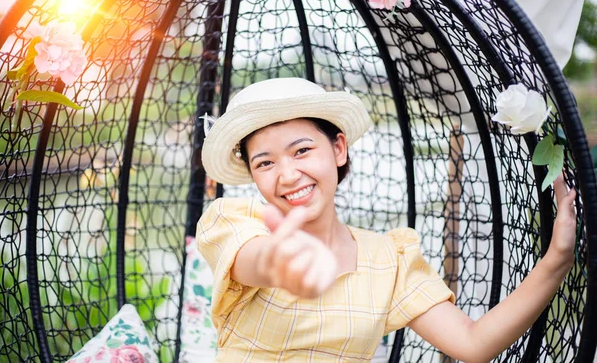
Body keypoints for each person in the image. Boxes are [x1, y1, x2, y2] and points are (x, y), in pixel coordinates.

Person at [196, 77, 577, 362]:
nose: (288, 174)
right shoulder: (238, 221)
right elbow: (258, 260)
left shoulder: (387, 258)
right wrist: (282, 266)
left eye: (302, 150)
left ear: (338, 148)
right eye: (265, 163)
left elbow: (473, 343)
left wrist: (556, 260)